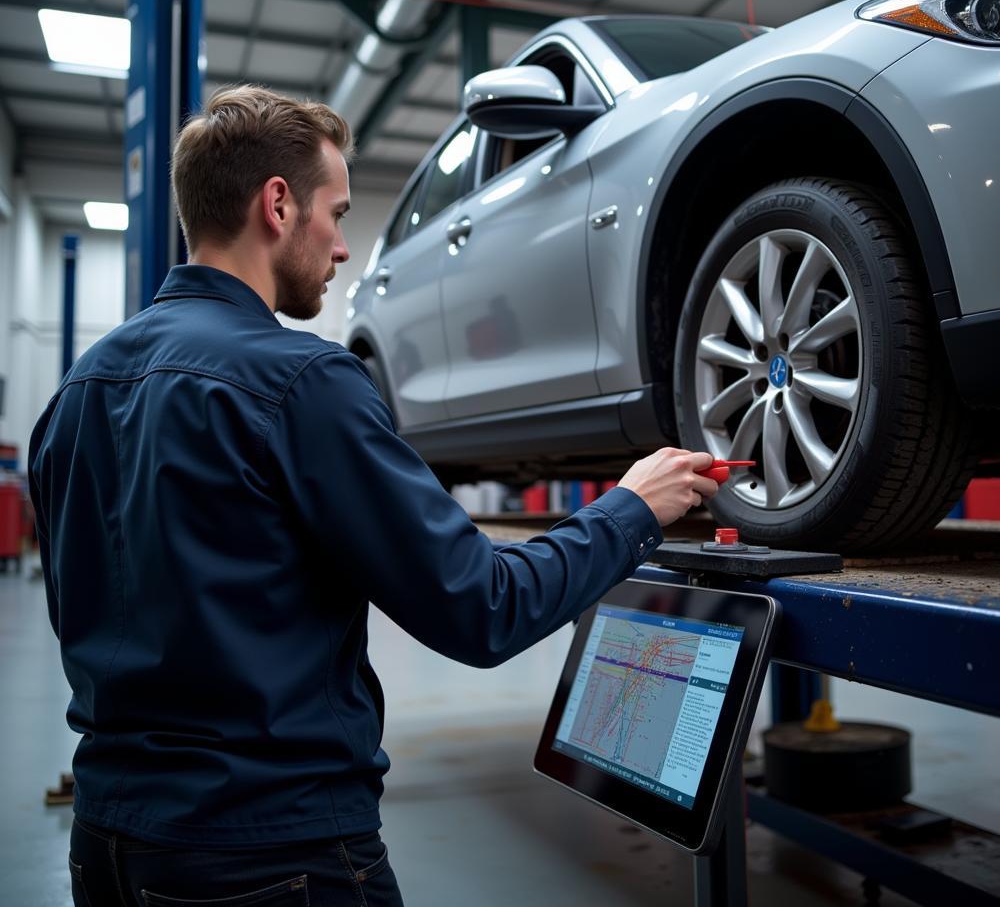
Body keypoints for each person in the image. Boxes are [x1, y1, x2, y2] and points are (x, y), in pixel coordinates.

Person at [29, 84, 720, 907]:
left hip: (105, 852)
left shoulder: (75, 391)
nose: (345, 248)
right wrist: (632, 505)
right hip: (271, 857)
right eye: (339, 212)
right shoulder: (301, 382)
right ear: (278, 205)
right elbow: (484, 607)